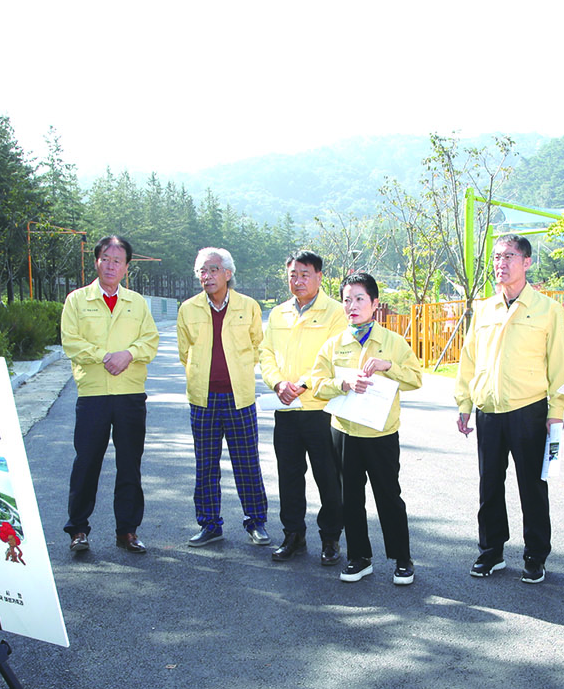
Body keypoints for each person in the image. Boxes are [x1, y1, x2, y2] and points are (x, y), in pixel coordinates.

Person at [454, 235, 564, 583]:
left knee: (532, 486)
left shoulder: (548, 309)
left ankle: (535, 555)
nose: (500, 263)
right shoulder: (485, 309)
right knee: (489, 485)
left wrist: (557, 411)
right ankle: (491, 551)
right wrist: (464, 402)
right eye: (496, 257)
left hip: (528, 410)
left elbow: (559, 365)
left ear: (527, 262)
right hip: (488, 408)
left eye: (508, 256)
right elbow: (469, 359)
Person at [306, 272, 423, 584]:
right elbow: (317, 384)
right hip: (344, 433)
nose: (352, 306)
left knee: (389, 496)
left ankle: (402, 559)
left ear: (374, 303)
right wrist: (342, 383)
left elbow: (415, 378)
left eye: (359, 299)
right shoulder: (334, 345)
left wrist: (389, 367)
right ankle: (359, 558)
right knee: (350, 498)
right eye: (347, 300)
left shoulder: (392, 342)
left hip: (381, 434)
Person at [60, 234, 159, 555]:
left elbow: (150, 341)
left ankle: (127, 531)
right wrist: (105, 356)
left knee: (130, 464)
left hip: (130, 394)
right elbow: (71, 342)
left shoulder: (137, 303)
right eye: (105, 259)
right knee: (86, 463)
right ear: (96, 262)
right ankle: (78, 529)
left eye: (118, 260)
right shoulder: (77, 300)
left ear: (127, 267)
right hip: (93, 395)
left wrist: (128, 355)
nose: (111, 265)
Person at [176, 247, 270, 547]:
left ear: (228, 273)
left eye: (213, 269)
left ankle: (256, 522)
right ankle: (209, 524)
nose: (207, 276)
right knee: (205, 465)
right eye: (202, 271)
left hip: (239, 398)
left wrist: (238, 370)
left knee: (247, 463)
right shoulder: (188, 309)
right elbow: (184, 352)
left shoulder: (248, 306)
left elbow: (258, 346)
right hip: (202, 399)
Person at [259, 250, 348, 565]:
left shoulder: (335, 312)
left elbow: (336, 356)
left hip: (321, 408)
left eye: (305, 275)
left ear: (319, 276)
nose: (298, 281)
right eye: (293, 275)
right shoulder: (278, 313)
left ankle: (330, 538)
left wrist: (303, 383)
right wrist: (277, 383)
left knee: (328, 477)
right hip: (286, 408)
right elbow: (266, 353)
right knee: (289, 476)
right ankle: (293, 535)